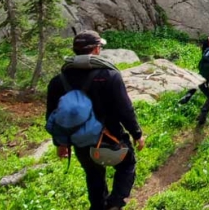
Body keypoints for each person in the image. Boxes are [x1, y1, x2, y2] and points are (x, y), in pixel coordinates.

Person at [46, 31, 145, 210]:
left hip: (80, 141)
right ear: (96, 50)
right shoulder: (110, 76)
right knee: (127, 164)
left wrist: (60, 144)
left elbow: (52, 116)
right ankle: (115, 204)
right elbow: (125, 110)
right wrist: (137, 134)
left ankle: (99, 207)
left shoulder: (58, 81)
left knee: (93, 174)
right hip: (111, 136)